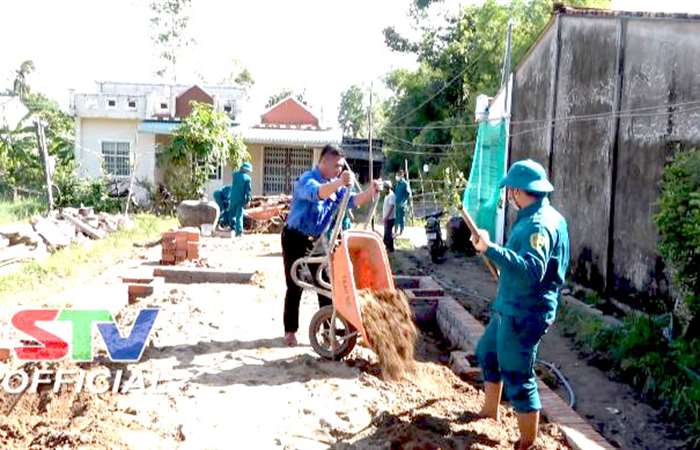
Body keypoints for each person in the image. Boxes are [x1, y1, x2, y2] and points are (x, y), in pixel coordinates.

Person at [470, 159, 570, 450]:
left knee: (517, 373)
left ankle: (527, 442)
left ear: (517, 190)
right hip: (509, 305)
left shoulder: (538, 224)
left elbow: (531, 269)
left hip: (525, 312)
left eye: (510, 191)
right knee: (487, 353)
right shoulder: (535, 215)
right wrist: (493, 252)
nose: (508, 196)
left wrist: (490, 249)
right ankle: (490, 411)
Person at [282, 144, 382, 346]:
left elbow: (353, 201)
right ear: (324, 162)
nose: (339, 169)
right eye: (336, 165)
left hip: (317, 239)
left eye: (341, 166)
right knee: (295, 284)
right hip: (294, 237)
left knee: (325, 284)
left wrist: (371, 191)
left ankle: (327, 330)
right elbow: (318, 194)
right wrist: (338, 182)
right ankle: (290, 331)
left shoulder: (334, 183)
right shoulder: (307, 180)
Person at [229, 162, 253, 237]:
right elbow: (248, 191)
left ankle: (232, 228)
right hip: (240, 199)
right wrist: (248, 200)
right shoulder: (247, 178)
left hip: (232, 198)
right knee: (239, 215)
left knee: (232, 214)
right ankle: (239, 232)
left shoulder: (235, 175)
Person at [393, 169, 411, 236]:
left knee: (401, 218)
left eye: (398, 175)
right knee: (396, 218)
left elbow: (408, 194)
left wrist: (403, 202)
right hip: (396, 204)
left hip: (402, 205)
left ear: (402, 175)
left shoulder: (405, 184)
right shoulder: (397, 183)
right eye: (396, 175)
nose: (397, 176)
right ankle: (395, 231)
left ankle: (401, 231)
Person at [381, 181, 395, 253]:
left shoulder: (391, 195)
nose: (383, 189)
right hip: (387, 217)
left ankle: (389, 248)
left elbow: (391, 207)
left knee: (388, 233)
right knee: (387, 233)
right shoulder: (387, 195)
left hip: (390, 218)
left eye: (384, 188)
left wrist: (386, 217)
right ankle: (390, 248)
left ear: (387, 188)